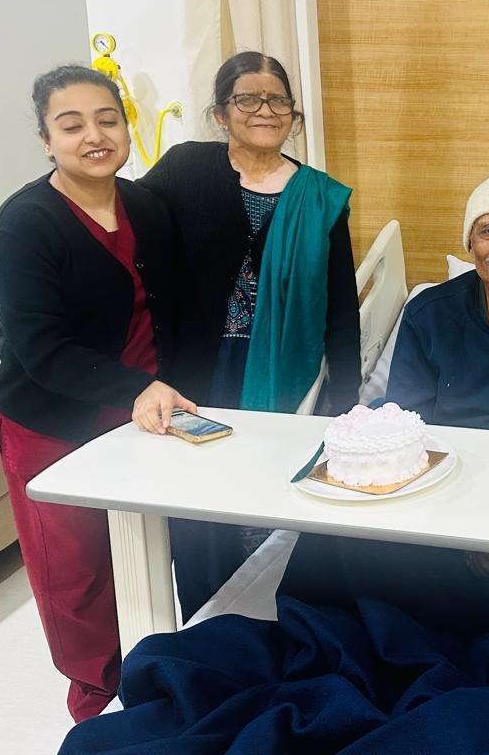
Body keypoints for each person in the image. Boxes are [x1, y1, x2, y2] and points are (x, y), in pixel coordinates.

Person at [58, 172, 489, 754]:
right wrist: (458, 524)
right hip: (445, 474)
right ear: (470, 243)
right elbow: (410, 421)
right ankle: (384, 652)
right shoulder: (431, 311)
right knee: (340, 540)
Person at [0, 66, 194, 720]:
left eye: (107, 120)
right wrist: (139, 387)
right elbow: (41, 350)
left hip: (142, 418)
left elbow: (171, 311)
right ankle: (98, 706)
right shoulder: (22, 228)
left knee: (146, 554)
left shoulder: (147, 207)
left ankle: (155, 678)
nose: (94, 136)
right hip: (52, 422)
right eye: (72, 126)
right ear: (47, 141)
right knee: (75, 575)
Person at [140, 51, 361, 619]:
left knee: (266, 493)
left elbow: (340, 307)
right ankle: (204, 619)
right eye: (248, 98)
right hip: (196, 370)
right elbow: (132, 233)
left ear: (293, 114)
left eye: (278, 99)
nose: (265, 110)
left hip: (283, 368)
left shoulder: (320, 197)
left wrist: (347, 399)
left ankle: (269, 620)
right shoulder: (186, 171)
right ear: (220, 113)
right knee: (195, 500)